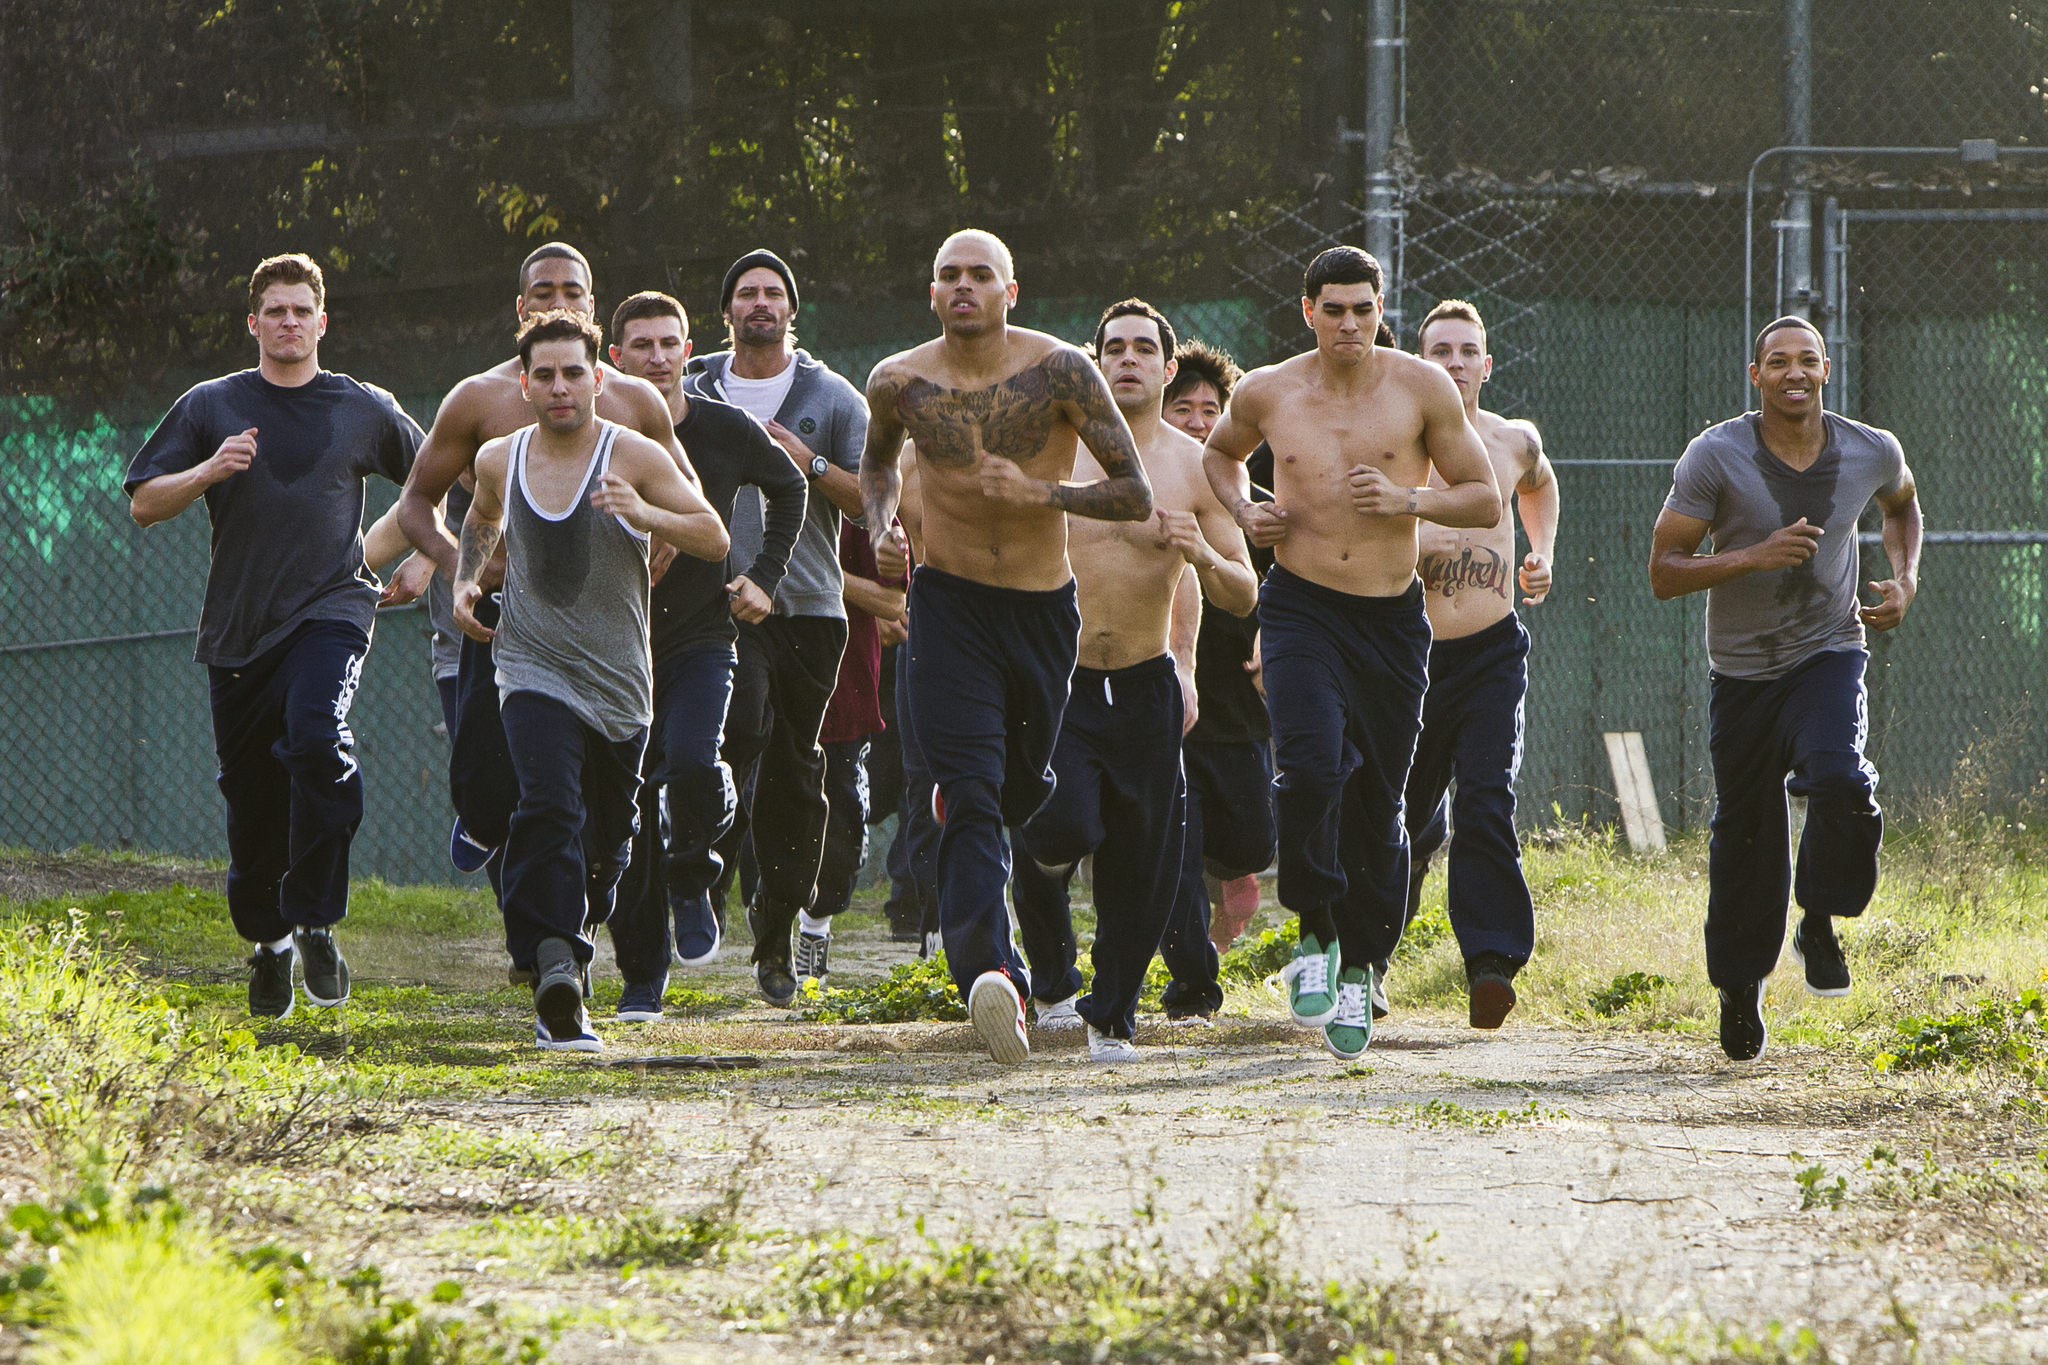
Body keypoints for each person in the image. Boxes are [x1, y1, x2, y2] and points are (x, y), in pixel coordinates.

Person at [860, 228, 1154, 1066]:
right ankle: (992, 972)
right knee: (973, 790)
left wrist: (1040, 492)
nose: (963, 286)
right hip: (948, 608)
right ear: (931, 292)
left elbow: (1133, 493)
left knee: (1021, 791)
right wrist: (883, 526)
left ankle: (988, 823)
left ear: (1010, 290)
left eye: (979, 275)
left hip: (1040, 611)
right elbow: (877, 467)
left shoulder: (1061, 369)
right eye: (948, 274)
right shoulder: (898, 381)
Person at [1204, 246, 1500, 1062]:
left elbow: (1483, 497)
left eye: (1362, 308)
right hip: (1299, 607)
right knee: (1307, 764)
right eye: (1332, 309)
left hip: (1389, 621)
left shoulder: (1422, 388)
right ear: (1308, 311)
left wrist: (1409, 497)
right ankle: (1313, 932)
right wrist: (1243, 510)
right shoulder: (1267, 390)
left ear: (1380, 309)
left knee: (1382, 800)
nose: (1348, 324)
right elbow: (1218, 456)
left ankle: (1364, 966)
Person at [125, 252, 424, 1019]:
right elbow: (143, 504)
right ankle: (271, 942)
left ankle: (317, 916)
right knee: (252, 799)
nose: (288, 322)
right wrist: (207, 473)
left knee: (316, 736)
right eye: (275, 311)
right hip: (238, 632)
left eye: (302, 310)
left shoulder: (362, 406)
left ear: (323, 323)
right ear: (253, 322)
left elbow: (435, 474)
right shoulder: (212, 405)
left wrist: (426, 554)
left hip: (332, 607)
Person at [392, 243, 694, 949]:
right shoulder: (478, 399)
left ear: (593, 307)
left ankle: (556, 937)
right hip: (505, 625)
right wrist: (458, 569)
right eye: (543, 290)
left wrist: (656, 538)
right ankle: (531, 906)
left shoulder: (633, 400)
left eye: (574, 290)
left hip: (605, 625)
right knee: (489, 791)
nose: (559, 299)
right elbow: (415, 504)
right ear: (520, 308)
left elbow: (687, 501)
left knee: (583, 806)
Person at [452, 311, 727, 1051]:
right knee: (546, 805)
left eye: (573, 372)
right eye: (544, 374)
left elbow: (714, 534)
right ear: (525, 384)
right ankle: (556, 976)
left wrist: (646, 511)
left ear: (598, 378)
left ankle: (581, 917)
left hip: (620, 685)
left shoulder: (633, 453)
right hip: (531, 668)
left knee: (607, 846)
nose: (560, 386)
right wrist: (465, 581)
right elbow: (481, 518)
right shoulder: (499, 458)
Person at [1649, 316, 1920, 1062]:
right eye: (1778, 362)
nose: (1793, 372)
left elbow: (1902, 504)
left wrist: (1906, 580)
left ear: (1827, 370)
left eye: (1807, 360)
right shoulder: (1716, 455)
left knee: (1838, 774)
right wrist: (1752, 555)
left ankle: (1821, 918)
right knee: (1746, 833)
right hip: (1741, 671)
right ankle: (1740, 986)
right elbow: (1664, 569)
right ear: (1756, 375)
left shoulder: (1871, 449)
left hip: (1828, 650)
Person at [1009, 300, 1258, 1060]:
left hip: (1147, 683)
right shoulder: (1056, 450)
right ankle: (1046, 942)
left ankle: (1110, 1014)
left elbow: (1243, 592)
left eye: (1143, 349)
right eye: (1112, 347)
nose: (1127, 360)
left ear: (1168, 366)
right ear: (1094, 359)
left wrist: (1204, 555)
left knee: (1142, 863)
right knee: (1062, 824)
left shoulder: (1195, 466)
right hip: (1063, 681)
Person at [600, 291, 807, 1021]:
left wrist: (765, 576)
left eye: (669, 343)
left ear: (691, 351)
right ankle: (641, 978)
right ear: (614, 357)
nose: (656, 357)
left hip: (699, 638)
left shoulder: (725, 428)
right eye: (641, 345)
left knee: (691, 761)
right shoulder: (593, 436)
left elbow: (790, 487)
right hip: (614, 647)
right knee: (624, 810)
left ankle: (695, 871)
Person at [684, 249, 870, 1007]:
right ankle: (692, 873)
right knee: (737, 726)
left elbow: (869, 502)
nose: (760, 303)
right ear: (725, 309)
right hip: (711, 603)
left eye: (773, 293)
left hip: (811, 606)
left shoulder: (833, 396)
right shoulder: (692, 387)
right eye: (745, 293)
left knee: (797, 770)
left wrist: (811, 463)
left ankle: (774, 932)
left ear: (794, 308)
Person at [1377, 298, 1561, 1029]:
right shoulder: (1395, 444)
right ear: (1421, 362)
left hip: (1491, 653)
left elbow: (1539, 484)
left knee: (1486, 798)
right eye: (1440, 352)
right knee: (1401, 819)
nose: (1453, 364)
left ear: (1487, 363)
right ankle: (1371, 956)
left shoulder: (1512, 440)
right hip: (1408, 659)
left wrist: (1539, 550)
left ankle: (1491, 962)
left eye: (1466, 351)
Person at [1157, 341, 1274, 1009]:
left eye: (1211, 410)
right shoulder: (1140, 490)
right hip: (1169, 699)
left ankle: (1221, 874)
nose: (1199, 421)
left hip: (1237, 702)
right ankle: (1191, 984)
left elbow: (1286, 582)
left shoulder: (1250, 502)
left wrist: (1270, 632)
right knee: (1178, 841)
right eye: (1185, 408)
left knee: (1250, 839)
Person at [806, 519, 908, 983]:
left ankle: (816, 923)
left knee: (848, 816)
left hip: (848, 684)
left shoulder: (870, 500)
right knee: (778, 812)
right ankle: (773, 919)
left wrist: (818, 569)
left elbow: (891, 600)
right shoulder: (764, 480)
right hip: (776, 680)